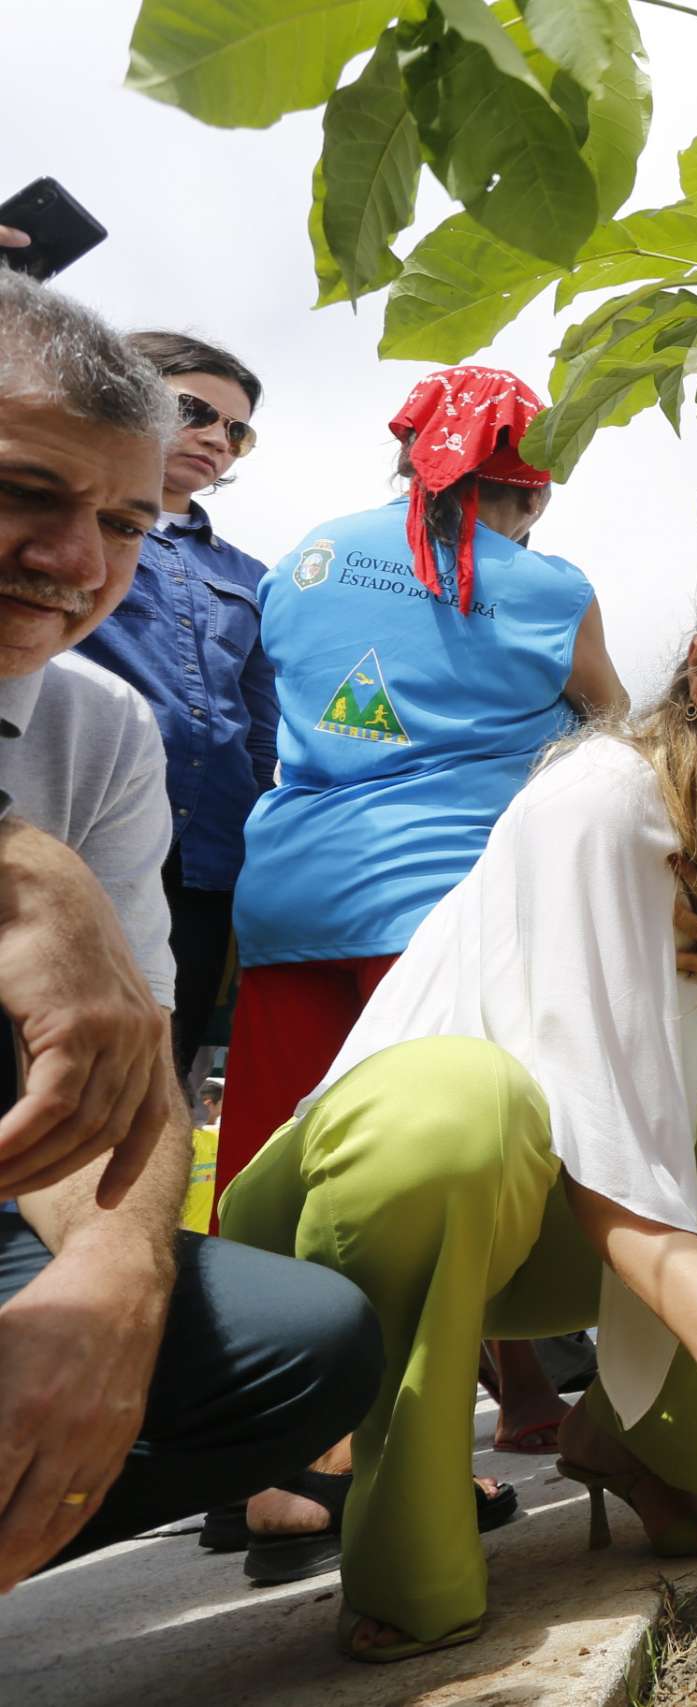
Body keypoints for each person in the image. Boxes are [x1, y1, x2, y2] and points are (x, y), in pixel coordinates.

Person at [219, 543, 697, 1662]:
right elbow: (599, 1132)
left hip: (556, 1231)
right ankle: (409, 1548)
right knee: (464, 1101)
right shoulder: (599, 797)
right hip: (370, 1211)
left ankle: (662, 1446)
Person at [211, 365, 624, 1579]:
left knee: (269, 1178)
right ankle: (402, 1463)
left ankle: (265, 1472)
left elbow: (277, 693)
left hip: (288, 896)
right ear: (532, 491)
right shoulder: (550, 585)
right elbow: (612, 728)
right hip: (443, 912)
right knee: (429, 1182)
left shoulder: (310, 557)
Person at [0, 269, 378, 1591]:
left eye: (118, 518)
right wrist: (14, 857)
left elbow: (125, 1077)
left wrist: (109, 1286)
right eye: (23, 492)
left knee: (301, 1338)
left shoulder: (106, 730)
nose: (74, 560)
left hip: (201, 863)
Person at [72, 331, 276, 1073]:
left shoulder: (254, 576)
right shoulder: (63, 519)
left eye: (238, 430)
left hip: (204, 861)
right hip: (78, 828)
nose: (217, 438)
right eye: (195, 410)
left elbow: (260, 733)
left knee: (154, 1064)